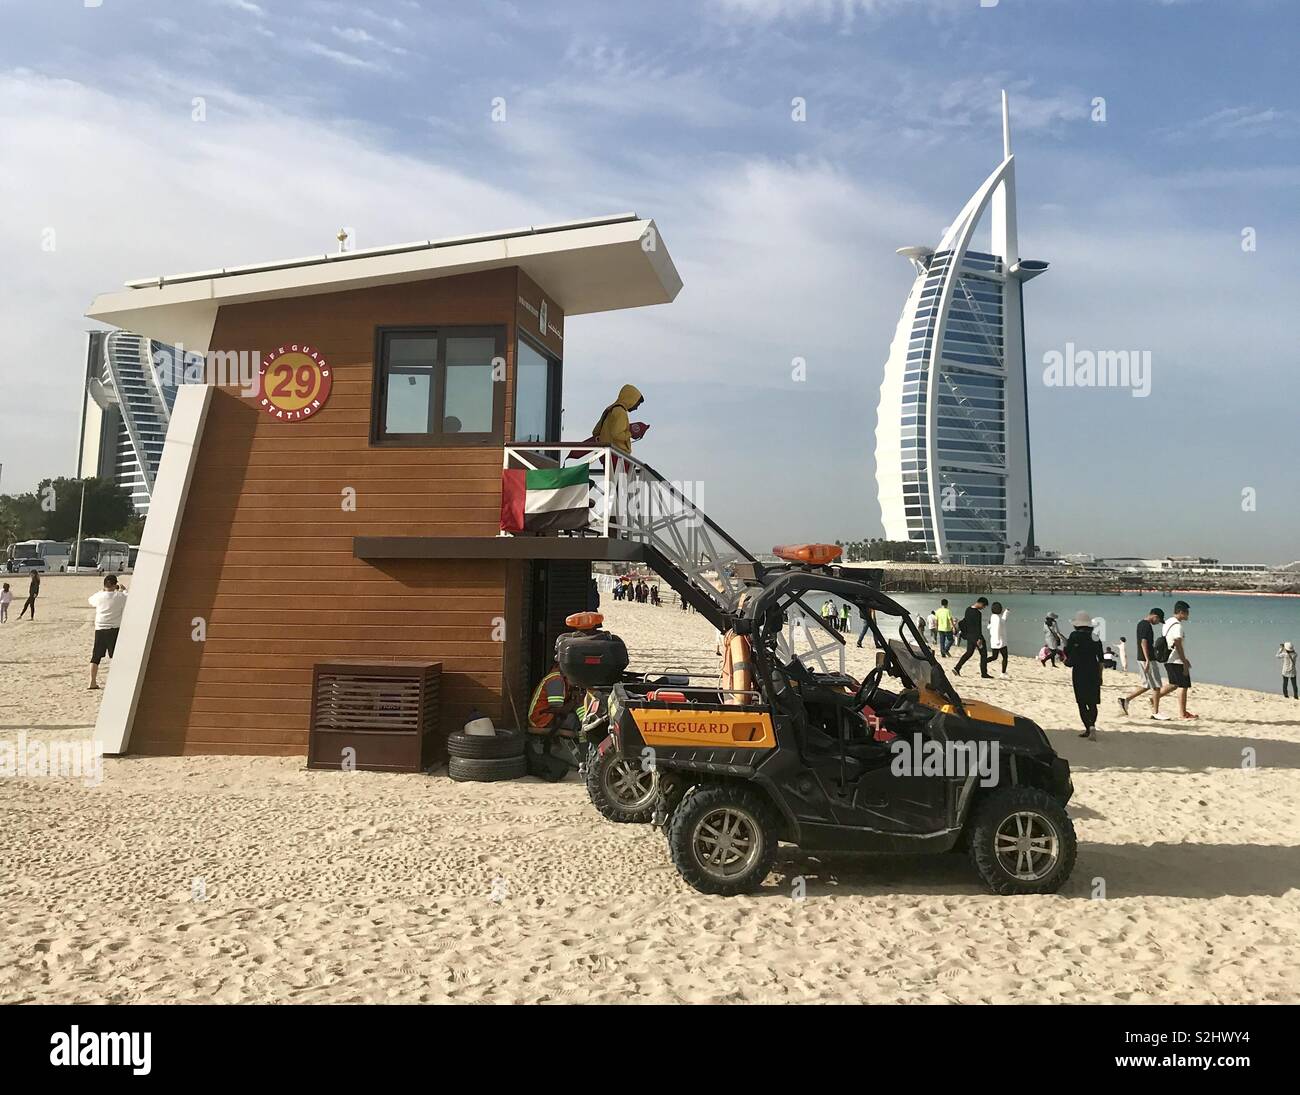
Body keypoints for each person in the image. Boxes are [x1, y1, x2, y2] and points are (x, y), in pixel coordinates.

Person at [1065, 610, 1104, 739]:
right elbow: (1101, 660)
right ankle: (1092, 725)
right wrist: (1100, 675)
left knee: (1081, 702)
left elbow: (1068, 652)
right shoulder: (1096, 637)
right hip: (1093, 671)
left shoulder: (1074, 636)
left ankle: (1088, 728)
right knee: (1092, 702)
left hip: (1079, 671)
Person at [1120, 607, 1166, 718]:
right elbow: (1143, 642)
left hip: (1142, 658)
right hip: (1147, 658)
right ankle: (1155, 713)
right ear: (1155, 616)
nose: (1158, 623)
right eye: (1158, 620)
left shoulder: (1141, 624)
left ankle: (1125, 700)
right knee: (1156, 686)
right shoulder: (1146, 625)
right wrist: (1147, 660)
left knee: (1147, 685)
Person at [1157, 600, 1196, 720]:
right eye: (1186, 612)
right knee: (1183, 685)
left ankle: (1155, 697)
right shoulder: (1178, 626)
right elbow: (1177, 643)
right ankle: (1182, 713)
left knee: (1174, 684)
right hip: (1175, 659)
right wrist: (1184, 660)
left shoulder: (1167, 622)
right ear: (1180, 612)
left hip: (1168, 657)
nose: (1188, 615)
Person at [88, 574, 128, 690]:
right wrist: (124, 590)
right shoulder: (120, 596)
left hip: (100, 628)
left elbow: (90, 600)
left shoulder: (99, 596)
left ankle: (92, 681)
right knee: (115, 657)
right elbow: (130, 599)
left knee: (95, 657)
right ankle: (116, 681)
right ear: (115, 584)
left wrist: (102, 591)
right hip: (114, 629)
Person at [592, 384, 645, 455]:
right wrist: (630, 433)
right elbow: (617, 434)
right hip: (616, 454)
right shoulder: (620, 412)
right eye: (636, 404)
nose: (636, 408)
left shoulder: (610, 409)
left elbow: (595, 431)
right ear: (630, 400)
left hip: (606, 452)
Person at [953, 597, 991, 678]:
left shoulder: (968, 609)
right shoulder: (978, 613)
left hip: (969, 636)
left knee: (969, 653)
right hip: (976, 636)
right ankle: (984, 673)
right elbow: (978, 627)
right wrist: (979, 639)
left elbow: (965, 622)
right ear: (981, 603)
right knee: (984, 654)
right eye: (983, 606)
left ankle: (957, 668)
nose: (983, 608)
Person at [987, 601, 1010, 676]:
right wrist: (997, 640)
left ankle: (983, 662)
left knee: (994, 657)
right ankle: (1003, 673)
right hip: (1000, 641)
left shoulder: (994, 616)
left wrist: (1006, 612)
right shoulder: (996, 618)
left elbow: (1003, 621)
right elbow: (997, 628)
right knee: (1005, 657)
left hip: (996, 641)